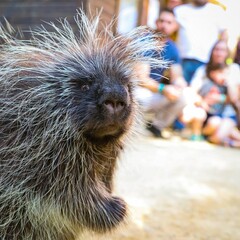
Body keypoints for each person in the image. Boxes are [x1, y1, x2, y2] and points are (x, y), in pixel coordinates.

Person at [135, 8, 187, 138]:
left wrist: (179, 84)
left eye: (169, 22)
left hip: (153, 92)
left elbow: (177, 76)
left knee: (182, 97)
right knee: (139, 98)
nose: (164, 25)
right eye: (162, 21)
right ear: (156, 22)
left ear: (175, 26)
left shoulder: (172, 48)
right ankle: (131, 125)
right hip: (137, 91)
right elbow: (141, 79)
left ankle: (156, 126)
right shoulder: (145, 42)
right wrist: (163, 89)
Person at [181, 40, 240, 146]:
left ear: (228, 53)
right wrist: (202, 102)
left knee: (217, 135)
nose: (219, 53)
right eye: (216, 50)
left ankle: (222, 138)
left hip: (226, 114)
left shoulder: (234, 69)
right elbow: (192, 91)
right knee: (211, 122)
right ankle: (201, 133)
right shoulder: (203, 69)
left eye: (222, 50)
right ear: (212, 52)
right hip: (207, 113)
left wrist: (227, 80)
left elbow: (235, 98)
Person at [174, 0, 228, 84]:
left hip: (207, 63)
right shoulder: (179, 10)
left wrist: (220, 56)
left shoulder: (217, 11)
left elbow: (224, 34)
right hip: (183, 60)